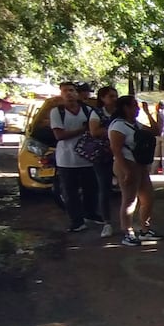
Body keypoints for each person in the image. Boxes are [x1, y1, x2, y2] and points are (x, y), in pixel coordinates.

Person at [108, 96, 164, 246]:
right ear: (125, 108)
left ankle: (145, 229)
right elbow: (116, 149)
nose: (137, 109)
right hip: (126, 165)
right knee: (129, 200)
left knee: (148, 197)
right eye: (135, 106)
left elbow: (156, 131)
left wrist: (148, 113)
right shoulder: (118, 126)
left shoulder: (134, 124)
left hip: (139, 165)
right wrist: (126, 171)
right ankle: (127, 232)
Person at [50, 81, 104, 233]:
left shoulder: (88, 110)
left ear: (77, 93)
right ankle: (76, 221)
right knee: (70, 192)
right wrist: (83, 130)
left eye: (71, 90)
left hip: (87, 157)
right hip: (66, 159)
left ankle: (91, 214)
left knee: (92, 189)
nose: (68, 93)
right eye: (65, 91)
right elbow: (59, 135)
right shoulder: (57, 112)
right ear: (61, 94)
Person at [88, 86, 119, 238]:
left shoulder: (120, 112)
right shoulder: (97, 113)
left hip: (121, 153)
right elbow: (94, 132)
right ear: (103, 98)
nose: (114, 99)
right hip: (103, 155)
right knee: (104, 188)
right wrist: (115, 130)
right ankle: (107, 222)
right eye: (111, 96)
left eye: (115, 96)